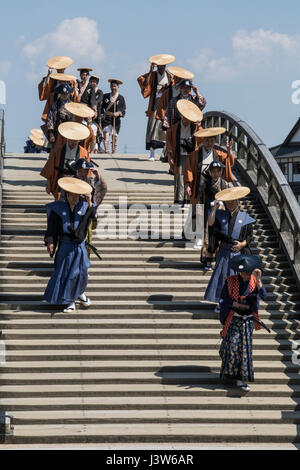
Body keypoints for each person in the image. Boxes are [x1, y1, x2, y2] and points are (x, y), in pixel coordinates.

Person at [44, 177, 97, 312]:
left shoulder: (85, 206)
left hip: (79, 247)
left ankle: (79, 294)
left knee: (82, 273)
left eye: (77, 195)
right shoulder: (57, 208)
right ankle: (70, 301)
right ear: (67, 194)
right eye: (72, 195)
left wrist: (90, 201)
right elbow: (52, 229)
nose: (74, 198)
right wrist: (50, 242)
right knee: (67, 274)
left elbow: (93, 220)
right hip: (65, 246)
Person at [219, 254, 267, 392]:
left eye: (248, 272)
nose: (245, 275)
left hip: (247, 321)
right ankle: (228, 374)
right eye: (243, 272)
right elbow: (223, 299)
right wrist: (234, 303)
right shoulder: (230, 281)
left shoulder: (254, 281)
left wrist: (258, 280)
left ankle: (240, 378)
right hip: (233, 318)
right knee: (229, 346)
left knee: (244, 350)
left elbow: (264, 295)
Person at [204, 187, 256, 308]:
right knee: (222, 277)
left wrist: (242, 244)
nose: (231, 204)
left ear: (238, 201)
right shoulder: (221, 215)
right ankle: (221, 302)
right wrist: (214, 208)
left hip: (238, 253)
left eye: (233, 201)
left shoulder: (245, 217)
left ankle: (236, 302)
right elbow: (211, 223)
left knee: (236, 279)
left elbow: (249, 236)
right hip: (224, 251)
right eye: (228, 202)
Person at [137, 54, 175, 161]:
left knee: (166, 130)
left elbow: (174, 89)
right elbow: (143, 82)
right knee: (153, 129)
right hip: (155, 104)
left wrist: (166, 89)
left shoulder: (170, 76)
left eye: (163, 66)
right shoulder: (153, 75)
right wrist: (150, 70)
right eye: (159, 66)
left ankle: (165, 154)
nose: (161, 68)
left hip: (166, 105)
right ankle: (152, 154)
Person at [166, 99, 203, 205]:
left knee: (190, 178)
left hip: (191, 157)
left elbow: (202, 139)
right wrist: (169, 156)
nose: (187, 119)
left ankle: (189, 200)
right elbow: (169, 142)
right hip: (179, 156)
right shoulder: (173, 128)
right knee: (179, 178)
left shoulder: (195, 128)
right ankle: (179, 201)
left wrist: (199, 127)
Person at [40, 122, 90, 199]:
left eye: (75, 140)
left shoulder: (84, 152)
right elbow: (50, 168)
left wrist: (87, 186)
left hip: (76, 180)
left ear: (79, 140)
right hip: (61, 179)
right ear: (67, 138)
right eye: (71, 140)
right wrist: (48, 183)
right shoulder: (58, 151)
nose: (73, 142)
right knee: (60, 200)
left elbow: (87, 172)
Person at [156, 66, 194, 163]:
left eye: (179, 78)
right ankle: (173, 165)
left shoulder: (191, 97)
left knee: (188, 143)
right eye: (176, 78)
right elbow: (161, 104)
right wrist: (164, 119)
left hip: (188, 121)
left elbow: (200, 106)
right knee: (172, 142)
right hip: (174, 119)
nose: (177, 80)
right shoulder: (169, 91)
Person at [71, 158, 108, 257]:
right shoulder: (70, 182)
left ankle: (84, 266)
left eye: (86, 171)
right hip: (73, 214)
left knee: (87, 240)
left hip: (88, 213)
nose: (83, 173)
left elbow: (103, 189)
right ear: (77, 171)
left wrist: (97, 176)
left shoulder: (90, 182)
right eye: (81, 171)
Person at [197, 161, 230, 270]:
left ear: (221, 172)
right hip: (210, 212)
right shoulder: (205, 184)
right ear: (210, 172)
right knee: (209, 237)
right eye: (214, 171)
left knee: (220, 237)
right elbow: (200, 200)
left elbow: (229, 200)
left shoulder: (225, 184)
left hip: (222, 213)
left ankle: (219, 261)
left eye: (218, 171)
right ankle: (207, 261)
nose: (216, 173)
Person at [38, 56, 74, 122]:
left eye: (62, 67)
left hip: (66, 109)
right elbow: (44, 91)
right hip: (54, 107)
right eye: (58, 67)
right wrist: (48, 74)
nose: (60, 69)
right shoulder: (52, 79)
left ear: (65, 68)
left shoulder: (70, 80)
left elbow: (73, 96)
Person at [101, 79, 126, 154]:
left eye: (115, 86)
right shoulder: (105, 96)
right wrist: (102, 114)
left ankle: (114, 151)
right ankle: (106, 151)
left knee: (114, 137)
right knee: (106, 135)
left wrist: (118, 113)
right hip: (107, 118)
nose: (113, 88)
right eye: (112, 86)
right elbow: (101, 107)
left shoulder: (121, 98)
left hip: (116, 120)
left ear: (118, 87)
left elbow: (123, 109)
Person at [89, 74, 104, 153]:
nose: (92, 83)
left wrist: (93, 103)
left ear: (97, 83)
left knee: (95, 131)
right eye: (91, 81)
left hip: (96, 116)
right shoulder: (88, 90)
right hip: (87, 114)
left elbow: (99, 100)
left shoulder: (99, 92)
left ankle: (95, 148)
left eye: (94, 82)